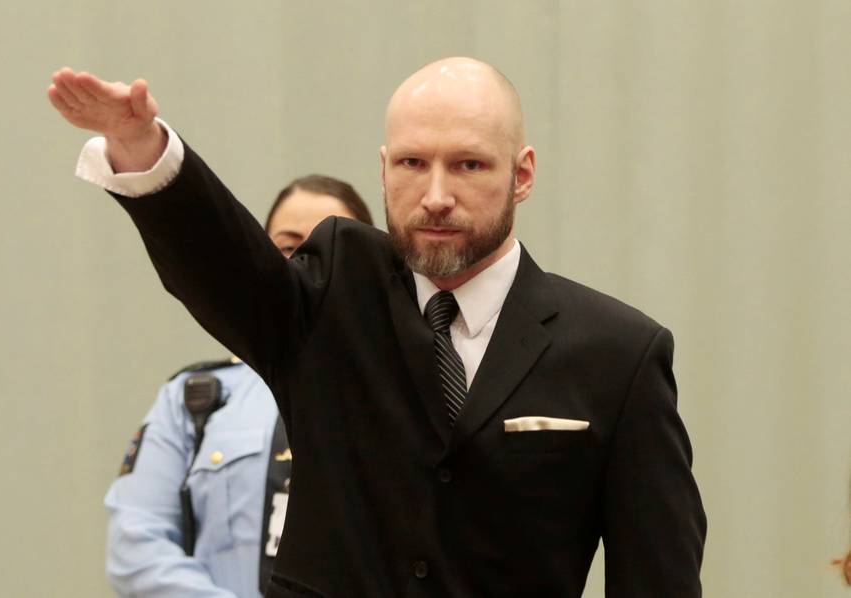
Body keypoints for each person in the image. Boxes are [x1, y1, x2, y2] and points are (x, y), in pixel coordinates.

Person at [48, 57, 707, 597]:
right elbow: (223, 265)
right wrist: (142, 149)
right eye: (412, 164)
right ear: (384, 168)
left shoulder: (617, 353)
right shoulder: (333, 291)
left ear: (522, 174)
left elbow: (658, 577)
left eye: (469, 165)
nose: (437, 194)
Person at [103, 177, 374, 598]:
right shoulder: (196, 399)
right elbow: (135, 547)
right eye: (286, 246)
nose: (303, 261)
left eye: (328, 249)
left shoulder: (398, 396)